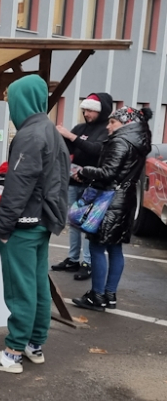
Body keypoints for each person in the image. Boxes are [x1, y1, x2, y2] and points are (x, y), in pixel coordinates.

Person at [0, 75, 69, 374]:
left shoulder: (29, 136)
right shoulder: (51, 131)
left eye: (10, 99)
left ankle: (12, 353)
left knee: (20, 290)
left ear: (21, 101)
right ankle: (33, 345)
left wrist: (3, 226)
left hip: (24, 225)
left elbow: (18, 186)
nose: (9, 105)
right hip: (42, 222)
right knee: (38, 286)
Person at [72, 106, 152, 312]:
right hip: (125, 199)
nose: (108, 126)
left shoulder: (120, 141)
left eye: (113, 122)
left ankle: (97, 296)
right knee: (115, 248)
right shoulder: (138, 140)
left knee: (97, 245)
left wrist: (84, 171)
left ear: (126, 123)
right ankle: (109, 295)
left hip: (109, 199)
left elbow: (108, 172)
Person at [53, 93, 112, 281]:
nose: (86, 113)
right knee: (73, 223)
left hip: (93, 184)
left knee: (88, 223)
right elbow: (69, 150)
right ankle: (73, 258)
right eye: (84, 110)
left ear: (101, 111)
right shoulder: (80, 127)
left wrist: (71, 136)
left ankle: (87, 262)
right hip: (74, 180)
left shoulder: (106, 130)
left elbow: (96, 150)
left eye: (90, 110)